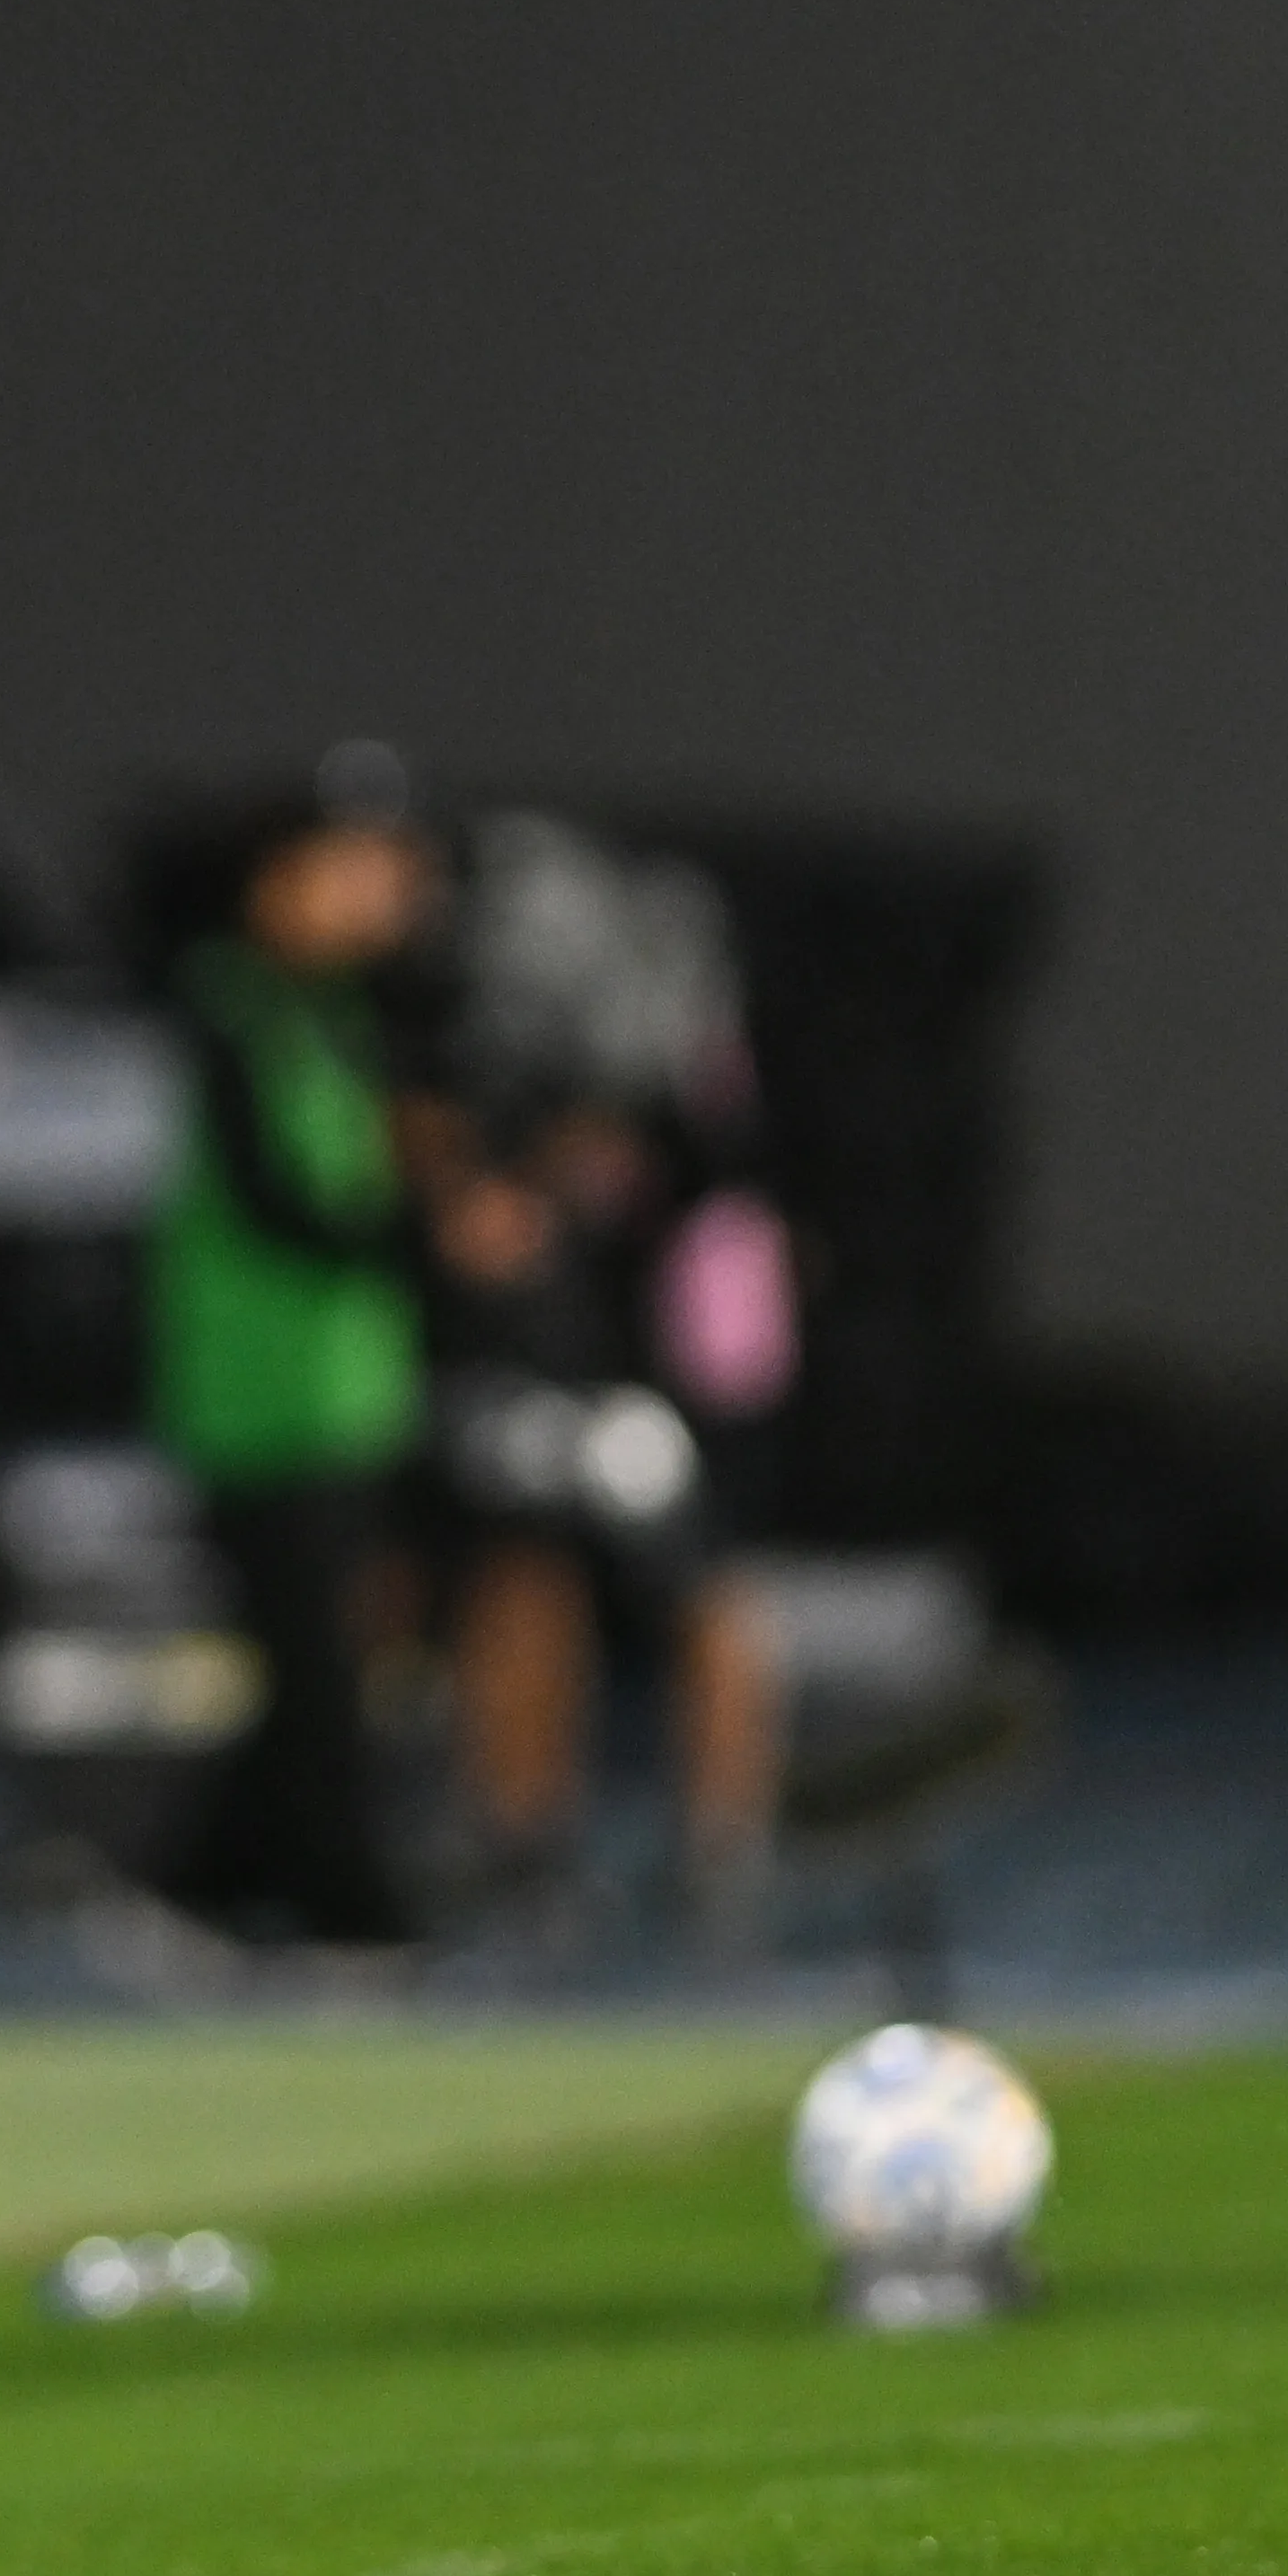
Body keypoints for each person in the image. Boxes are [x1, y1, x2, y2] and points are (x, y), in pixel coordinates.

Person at [404, 807, 790, 1946]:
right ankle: (521, 1831)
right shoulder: (477, 1067)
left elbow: (695, 1207)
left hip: (672, 1364)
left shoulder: (676, 1080)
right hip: (551, 1360)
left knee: (701, 1585)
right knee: (524, 1568)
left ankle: (724, 1836)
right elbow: (464, 1206)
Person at [150, 756, 437, 1943]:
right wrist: (423, 1220)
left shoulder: (352, 1016)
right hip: (259, 1393)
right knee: (313, 1663)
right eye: (347, 868)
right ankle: (349, 1902)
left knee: (321, 1661)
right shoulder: (230, 1008)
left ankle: (210, 1882)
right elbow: (281, 1198)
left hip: (350, 1389)